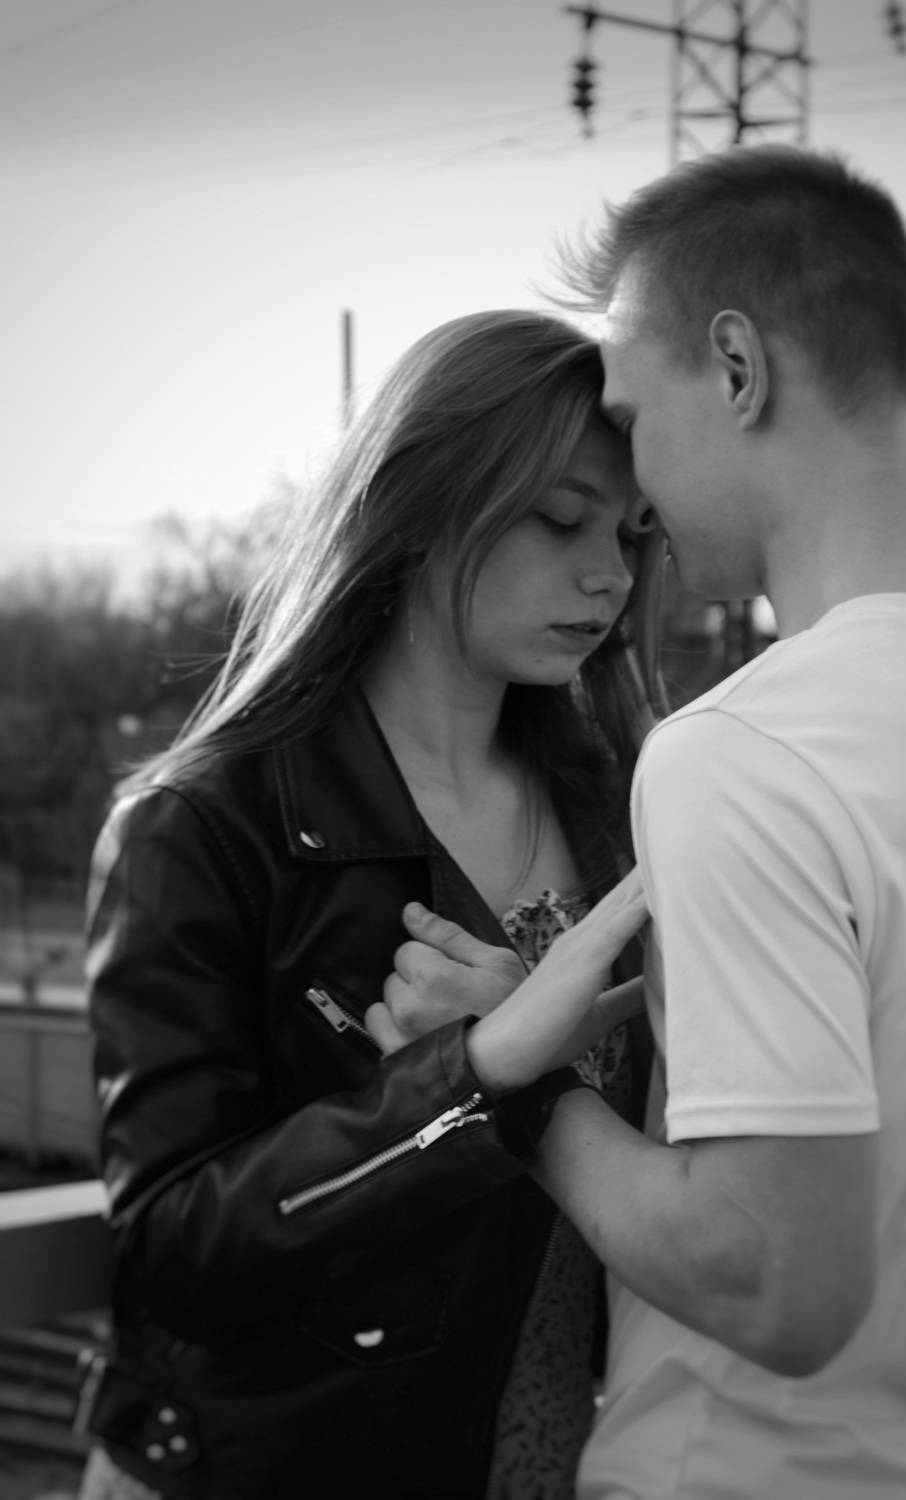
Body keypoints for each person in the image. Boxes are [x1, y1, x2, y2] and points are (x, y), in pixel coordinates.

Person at [372, 146, 906, 1498]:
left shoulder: (742, 753)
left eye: (634, 416)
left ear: (736, 369)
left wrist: (517, 1086)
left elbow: (776, 1282)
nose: (638, 496)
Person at [76, 308, 668, 1500]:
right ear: (421, 507)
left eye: (630, 529)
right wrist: (467, 1078)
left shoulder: (622, 801)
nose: (607, 572)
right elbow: (176, 1249)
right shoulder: (204, 827)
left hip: (546, 1451)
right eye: (560, 519)